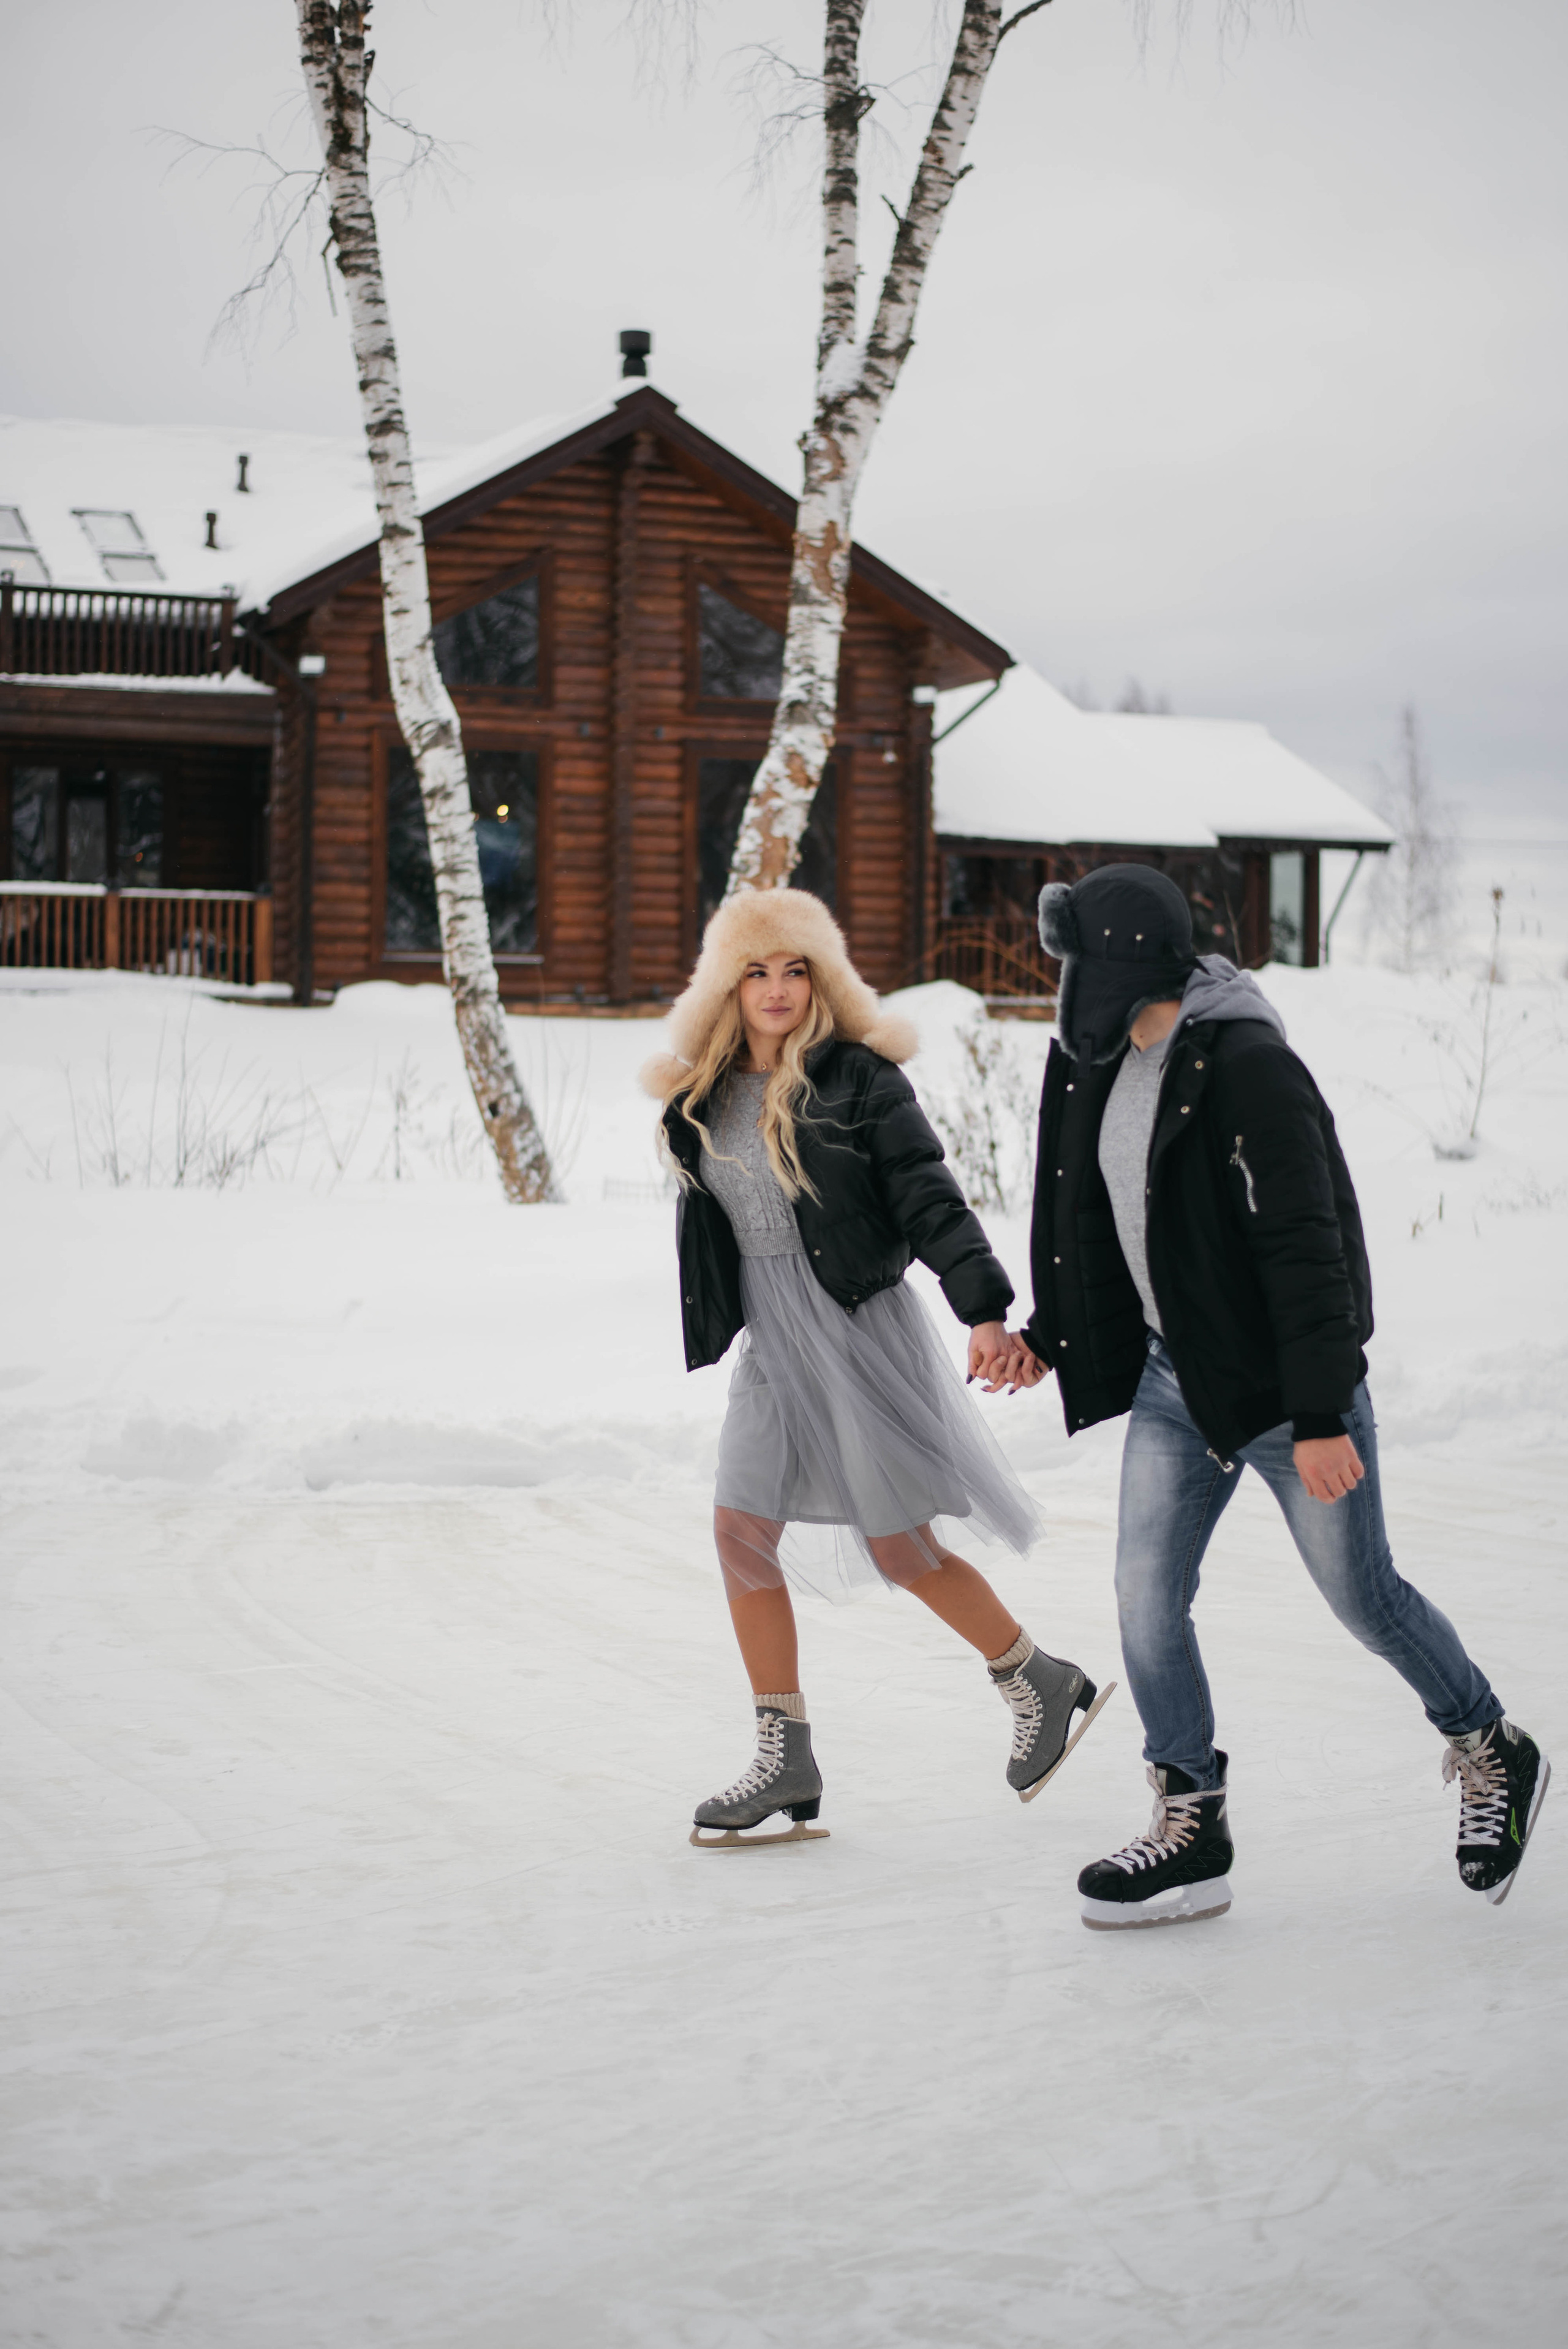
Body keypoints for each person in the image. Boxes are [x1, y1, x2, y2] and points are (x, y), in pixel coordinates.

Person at [1008, 862, 1548, 1929]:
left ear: (1118, 961)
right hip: (1175, 1379)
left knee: (1366, 1597)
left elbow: (1311, 1251)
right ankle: (1192, 1821)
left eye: (1073, 957)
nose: (1062, 978)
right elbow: (1091, 1224)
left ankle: (1494, 1746)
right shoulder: (1095, 1064)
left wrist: (1315, 1415)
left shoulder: (1247, 1065)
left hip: (1280, 1391)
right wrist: (1047, 1339)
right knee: (1144, 1600)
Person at [643, 888, 1112, 1848]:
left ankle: (1036, 1677)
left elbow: (930, 1196)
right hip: (772, 1344)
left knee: (900, 1547)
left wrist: (985, 1309)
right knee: (738, 1532)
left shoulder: (859, 1079)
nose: (776, 989)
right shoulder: (701, 1096)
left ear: (822, 978)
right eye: (756, 970)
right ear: (727, 986)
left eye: (795, 968)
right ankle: (787, 1753)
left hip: (856, 1328)